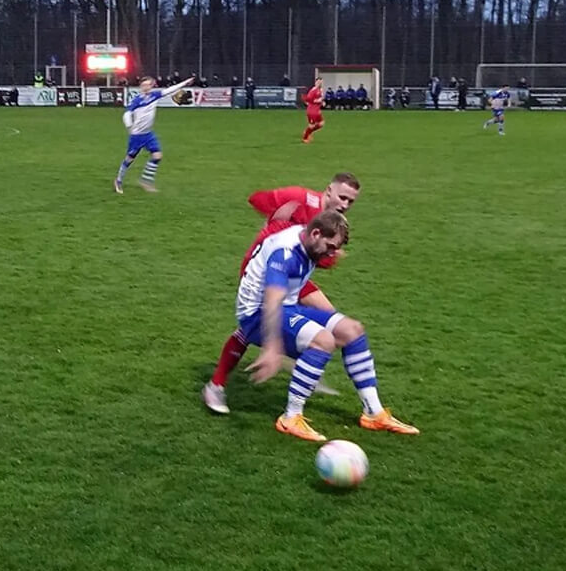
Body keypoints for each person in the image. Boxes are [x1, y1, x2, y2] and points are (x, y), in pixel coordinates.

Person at [233, 211, 418, 441]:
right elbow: (272, 299)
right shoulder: (285, 253)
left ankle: (373, 413)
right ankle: (290, 417)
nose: (331, 254)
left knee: (352, 331)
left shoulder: (310, 239)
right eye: (330, 246)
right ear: (316, 234)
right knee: (323, 340)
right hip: (258, 314)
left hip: (286, 307)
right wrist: (272, 347)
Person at [203, 173, 362, 413]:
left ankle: (306, 363)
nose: (345, 205)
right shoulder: (299, 199)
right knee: (256, 324)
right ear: (328, 190)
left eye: (351, 201)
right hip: (268, 267)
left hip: (293, 275)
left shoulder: (332, 224)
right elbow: (256, 199)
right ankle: (217, 385)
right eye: (342, 197)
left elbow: (319, 259)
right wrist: (274, 221)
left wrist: (330, 256)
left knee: (333, 321)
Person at [115, 75, 195, 194]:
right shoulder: (137, 100)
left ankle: (145, 181)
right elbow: (127, 114)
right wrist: (129, 126)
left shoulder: (154, 95)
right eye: (144, 85)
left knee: (157, 156)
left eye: (149, 85)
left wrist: (185, 82)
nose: (146, 87)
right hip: (137, 135)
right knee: (129, 159)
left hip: (148, 134)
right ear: (141, 86)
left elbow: (170, 90)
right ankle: (118, 180)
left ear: (152, 86)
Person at [302, 77, 325, 143]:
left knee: (321, 124)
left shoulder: (320, 90)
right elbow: (308, 99)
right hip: (312, 111)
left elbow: (320, 99)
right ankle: (305, 138)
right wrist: (317, 101)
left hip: (317, 110)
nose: (320, 83)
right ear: (315, 82)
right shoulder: (313, 90)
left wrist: (322, 102)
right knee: (311, 125)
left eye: (321, 82)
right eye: (318, 82)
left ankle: (308, 132)